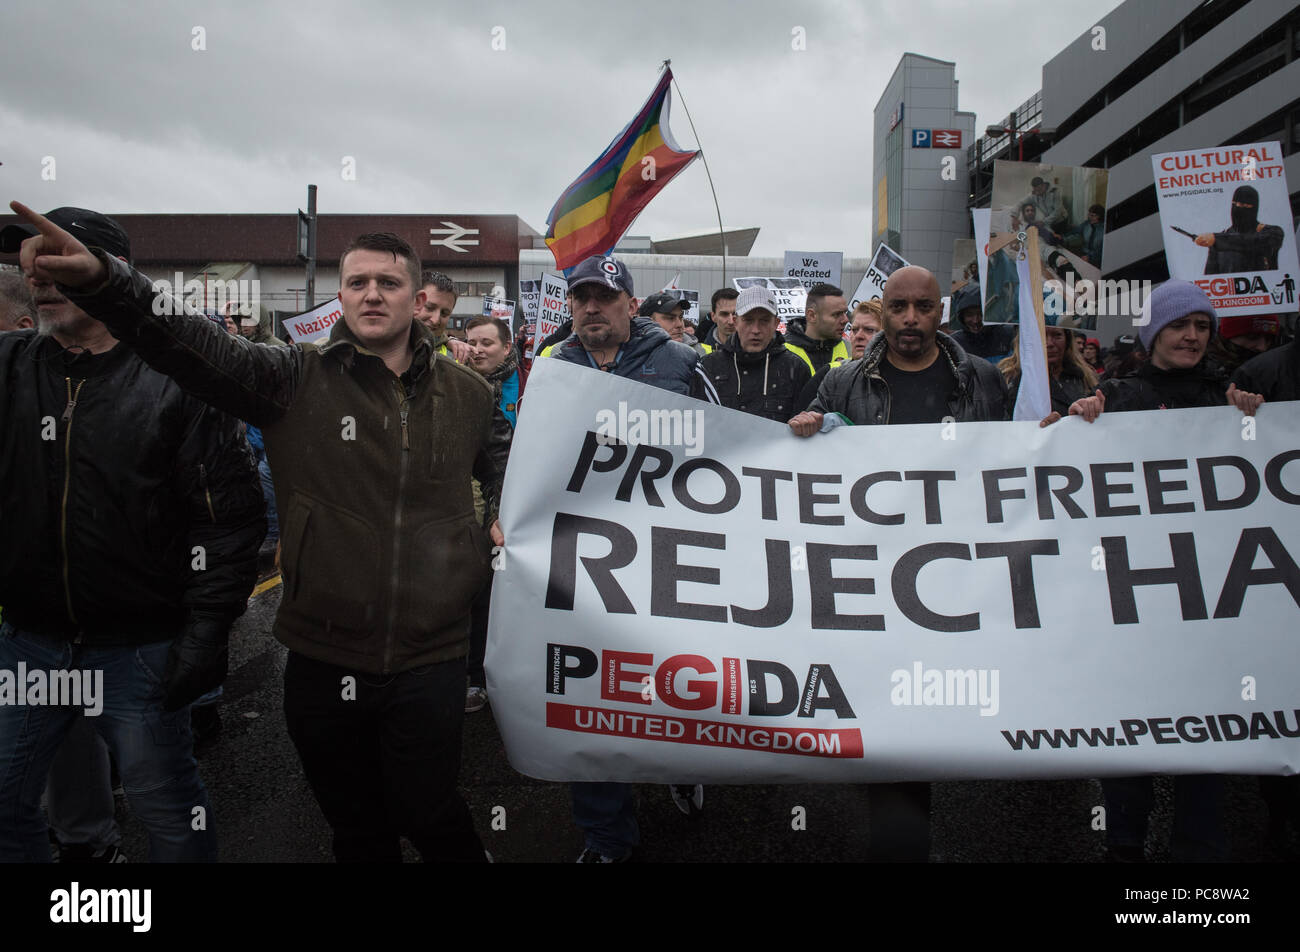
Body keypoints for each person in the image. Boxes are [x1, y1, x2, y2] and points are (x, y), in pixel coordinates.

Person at [8, 200, 511, 863]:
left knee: (431, 810)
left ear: (416, 298)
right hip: (323, 654)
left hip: (432, 656)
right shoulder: (289, 379)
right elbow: (188, 341)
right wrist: (108, 281)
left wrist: (496, 521)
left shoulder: (468, 393)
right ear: (340, 296)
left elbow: (505, 460)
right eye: (357, 281)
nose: (371, 293)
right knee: (357, 827)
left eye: (387, 282)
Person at [0, 205, 265, 862]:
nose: (38, 273)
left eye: (59, 259)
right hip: (28, 646)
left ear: (112, 273)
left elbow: (227, 522)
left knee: (168, 807)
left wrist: (205, 636)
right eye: (29, 260)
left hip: (139, 652)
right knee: (6, 801)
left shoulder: (180, 380)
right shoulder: (9, 368)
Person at [788, 265, 1015, 860]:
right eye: (898, 307)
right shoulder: (842, 384)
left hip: (958, 576)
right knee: (889, 707)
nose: (911, 319)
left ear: (940, 310)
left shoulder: (983, 379)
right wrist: (811, 427)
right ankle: (901, 843)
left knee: (932, 708)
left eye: (923, 306)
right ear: (881, 310)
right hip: (873, 577)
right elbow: (809, 467)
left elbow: (1016, 463)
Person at [1066, 280, 1263, 862]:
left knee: (1207, 723)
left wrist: (1250, 421)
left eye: (1203, 327)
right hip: (1137, 594)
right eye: (1181, 326)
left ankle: (1197, 854)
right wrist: (1084, 420)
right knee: (1132, 717)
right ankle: (1124, 841)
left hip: (1208, 598)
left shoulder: (1228, 396)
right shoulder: (1119, 395)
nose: (1193, 337)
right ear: (1155, 332)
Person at [547, 253, 719, 860]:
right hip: (585, 561)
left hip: (672, 554)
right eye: (580, 298)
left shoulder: (680, 363)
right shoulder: (554, 366)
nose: (591, 307)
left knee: (675, 676)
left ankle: (681, 764)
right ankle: (606, 836)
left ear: (629, 303)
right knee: (589, 694)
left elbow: (728, 446)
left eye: (604, 296)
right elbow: (531, 456)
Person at [462, 315, 525, 713]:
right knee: (474, 595)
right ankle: (472, 676)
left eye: (487, 342)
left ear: (506, 348)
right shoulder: (455, 383)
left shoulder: (533, 385)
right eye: (472, 342)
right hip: (472, 507)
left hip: (519, 505)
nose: (478, 350)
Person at [692, 285, 811, 421]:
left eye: (764, 321)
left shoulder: (796, 369)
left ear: (776, 323)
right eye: (748, 320)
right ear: (736, 322)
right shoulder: (709, 367)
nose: (756, 330)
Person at [999, 326, 1097, 415]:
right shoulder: (1009, 378)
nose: (1049, 343)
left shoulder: (1085, 377)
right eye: (1041, 335)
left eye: (1057, 335)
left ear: (1067, 340)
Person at [1196, 185, 1285, 274]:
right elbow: (1211, 277)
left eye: (1243, 205)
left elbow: (1251, 242)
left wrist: (1217, 240)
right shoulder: (1218, 241)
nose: (1237, 208)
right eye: (1234, 204)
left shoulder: (1272, 232)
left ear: (1254, 207)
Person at [783, 282, 849, 373]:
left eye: (845, 313)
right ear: (812, 315)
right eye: (837, 314)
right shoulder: (783, 352)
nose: (845, 320)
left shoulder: (851, 349)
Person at [947, 282, 1016, 364]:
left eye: (981, 314)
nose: (975, 320)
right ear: (961, 317)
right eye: (969, 315)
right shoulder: (955, 343)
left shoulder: (1008, 335)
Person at [415, 269, 472, 362]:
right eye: (429, 308)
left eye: (444, 313)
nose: (436, 320)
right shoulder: (385, 346)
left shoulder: (458, 360)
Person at [1207, 313, 1281, 375]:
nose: (1262, 347)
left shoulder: (1279, 367)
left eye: (1269, 339)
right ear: (1227, 338)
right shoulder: (1204, 368)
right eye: (1252, 337)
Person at [639, 292, 707, 356]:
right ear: (647, 322)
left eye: (681, 317)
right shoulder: (633, 355)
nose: (679, 324)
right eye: (670, 318)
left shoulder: (700, 353)